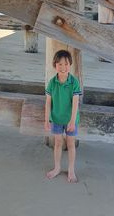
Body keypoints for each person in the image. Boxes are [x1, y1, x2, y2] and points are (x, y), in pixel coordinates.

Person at [44, 49, 82, 183]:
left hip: (71, 119)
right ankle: (57, 168)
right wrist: (47, 119)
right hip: (56, 118)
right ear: (55, 65)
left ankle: (71, 170)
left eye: (66, 64)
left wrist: (72, 121)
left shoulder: (74, 82)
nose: (63, 67)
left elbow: (76, 103)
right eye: (59, 64)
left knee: (71, 144)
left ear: (70, 65)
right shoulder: (52, 82)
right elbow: (48, 102)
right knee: (58, 143)